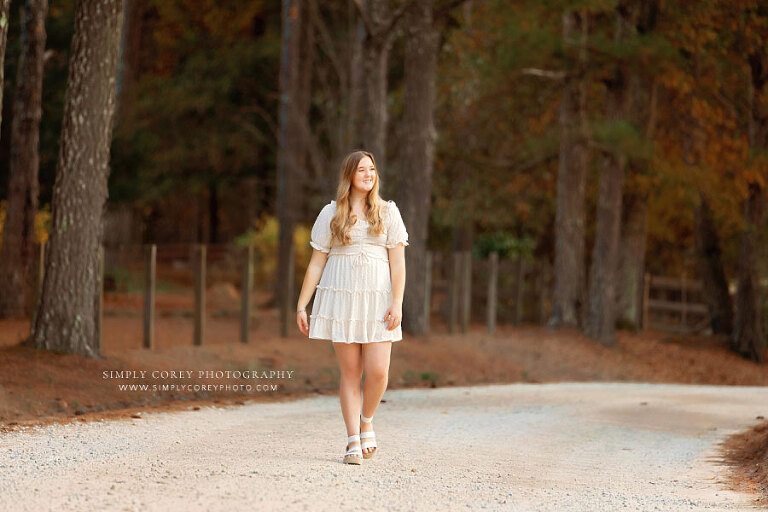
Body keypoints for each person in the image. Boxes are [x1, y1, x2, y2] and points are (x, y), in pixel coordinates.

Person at [296, 150, 409, 465]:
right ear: (349, 176)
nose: (369, 174)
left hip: (378, 300)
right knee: (350, 372)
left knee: (377, 371)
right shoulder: (331, 213)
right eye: (362, 170)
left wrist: (397, 302)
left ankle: (367, 419)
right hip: (341, 299)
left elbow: (397, 265)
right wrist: (302, 304)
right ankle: (351, 441)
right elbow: (317, 263)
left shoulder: (388, 212)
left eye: (372, 169)